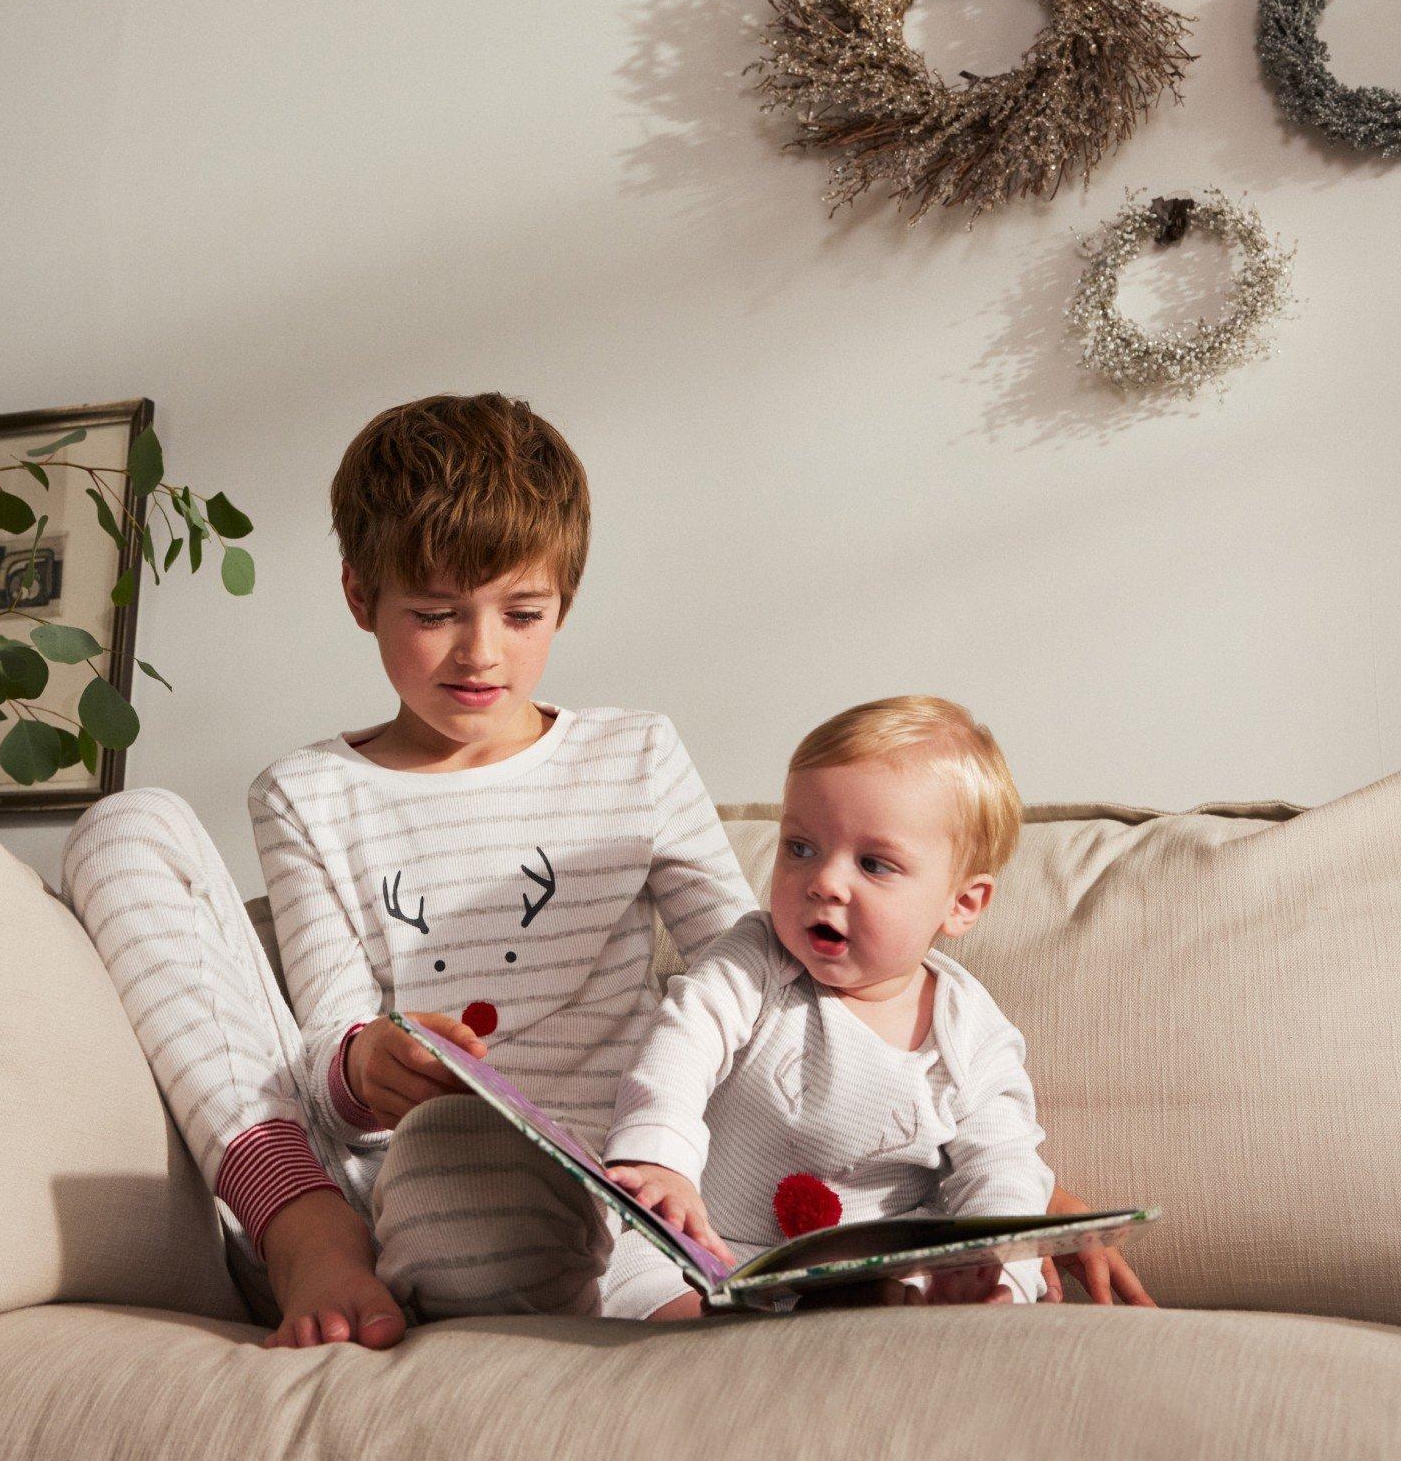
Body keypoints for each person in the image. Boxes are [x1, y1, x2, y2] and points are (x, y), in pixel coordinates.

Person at [60, 393, 1150, 1351]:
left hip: (609, 1194)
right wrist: (367, 1062)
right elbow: (328, 1067)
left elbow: (773, 977)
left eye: (522, 614)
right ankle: (305, 1233)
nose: (480, 651)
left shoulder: (633, 755)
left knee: (495, 1202)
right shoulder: (305, 791)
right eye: (434, 612)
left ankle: (493, 1274)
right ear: (359, 592)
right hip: (388, 1178)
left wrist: (1009, 1192)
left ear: (564, 600)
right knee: (127, 825)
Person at [604, 697, 1102, 1317]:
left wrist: (998, 1263)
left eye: (873, 864)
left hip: (862, 1262)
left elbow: (1001, 1162)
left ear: (963, 903)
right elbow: (683, 1040)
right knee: (624, 1268)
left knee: (937, 1265)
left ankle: (934, 1302)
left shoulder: (970, 1032)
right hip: (705, 1244)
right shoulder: (756, 959)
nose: (825, 882)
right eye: (800, 848)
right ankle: (702, 1333)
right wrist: (659, 1160)